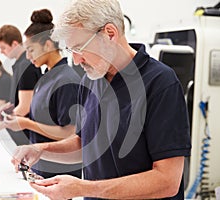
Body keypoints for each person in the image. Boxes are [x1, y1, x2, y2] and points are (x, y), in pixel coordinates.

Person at [10, 0, 192, 200]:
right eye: (71, 51)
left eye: (79, 47)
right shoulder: (91, 79)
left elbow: (167, 181)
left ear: (109, 34)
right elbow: (84, 143)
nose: (77, 60)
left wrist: (83, 188)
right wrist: (40, 149)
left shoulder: (160, 83)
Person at [4, 9, 82, 179]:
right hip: (42, 168)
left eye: (31, 49)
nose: (28, 56)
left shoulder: (66, 80)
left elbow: (69, 133)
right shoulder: (47, 77)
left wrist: (27, 124)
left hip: (60, 174)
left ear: (48, 45)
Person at [0, 25, 42, 145]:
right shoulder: (18, 65)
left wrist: (0, 125)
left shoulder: (26, 66)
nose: (1, 52)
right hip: (18, 128)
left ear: (15, 44)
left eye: (3, 48)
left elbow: (25, 107)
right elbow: (15, 100)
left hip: (25, 133)